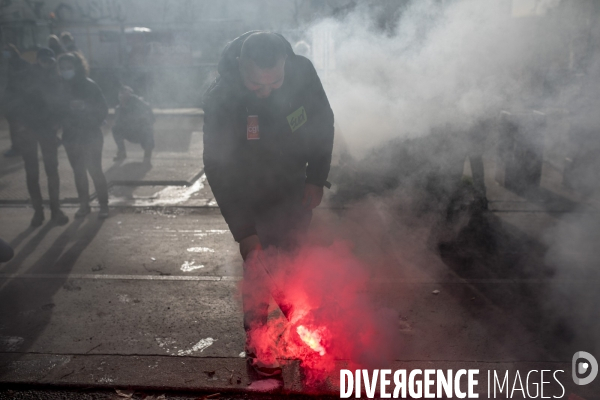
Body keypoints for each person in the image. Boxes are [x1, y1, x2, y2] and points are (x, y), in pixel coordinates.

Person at [203, 31, 334, 378]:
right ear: (240, 66)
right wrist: (244, 232)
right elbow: (217, 167)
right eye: (255, 84)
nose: (265, 91)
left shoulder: (302, 72)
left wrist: (316, 178)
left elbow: (323, 122)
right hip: (247, 190)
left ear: (285, 65)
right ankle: (259, 349)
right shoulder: (221, 97)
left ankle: (304, 333)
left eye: (274, 81)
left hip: (292, 185)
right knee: (259, 267)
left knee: (292, 261)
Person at [18, 48, 69, 227]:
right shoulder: (27, 76)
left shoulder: (55, 78)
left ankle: (53, 210)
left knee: (50, 170)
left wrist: (57, 122)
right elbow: (17, 101)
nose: (47, 63)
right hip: (32, 129)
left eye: (50, 61)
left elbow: (61, 102)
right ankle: (40, 212)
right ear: (38, 60)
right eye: (44, 60)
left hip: (45, 129)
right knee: (34, 172)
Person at [57, 52, 109, 219]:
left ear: (77, 68)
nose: (66, 71)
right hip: (71, 136)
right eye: (62, 68)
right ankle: (84, 205)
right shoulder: (60, 87)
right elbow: (55, 110)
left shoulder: (89, 85)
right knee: (78, 172)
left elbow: (103, 109)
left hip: (90, 135)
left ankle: (103, 205)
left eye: (69, 68)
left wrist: (85, 107)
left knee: (95, 170)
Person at [112, 85, 155, 163]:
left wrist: (136, 100)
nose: (123, 98)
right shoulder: (119, 109)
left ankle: (147, 155)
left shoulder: (140, 105)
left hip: (142, 133)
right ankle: (122, 153)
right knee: (115, 129)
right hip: (130, 133)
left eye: (126, 96)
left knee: (148, 128)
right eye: (121, 96)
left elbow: (150, 115)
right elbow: (117, 124)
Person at [2, 44, 30, 158]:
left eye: (6, 50)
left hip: (17, 100)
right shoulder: (9, 63)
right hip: (11, 99)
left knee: (17, 125)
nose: (4, 53)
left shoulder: (19, 63)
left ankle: (18, 148)